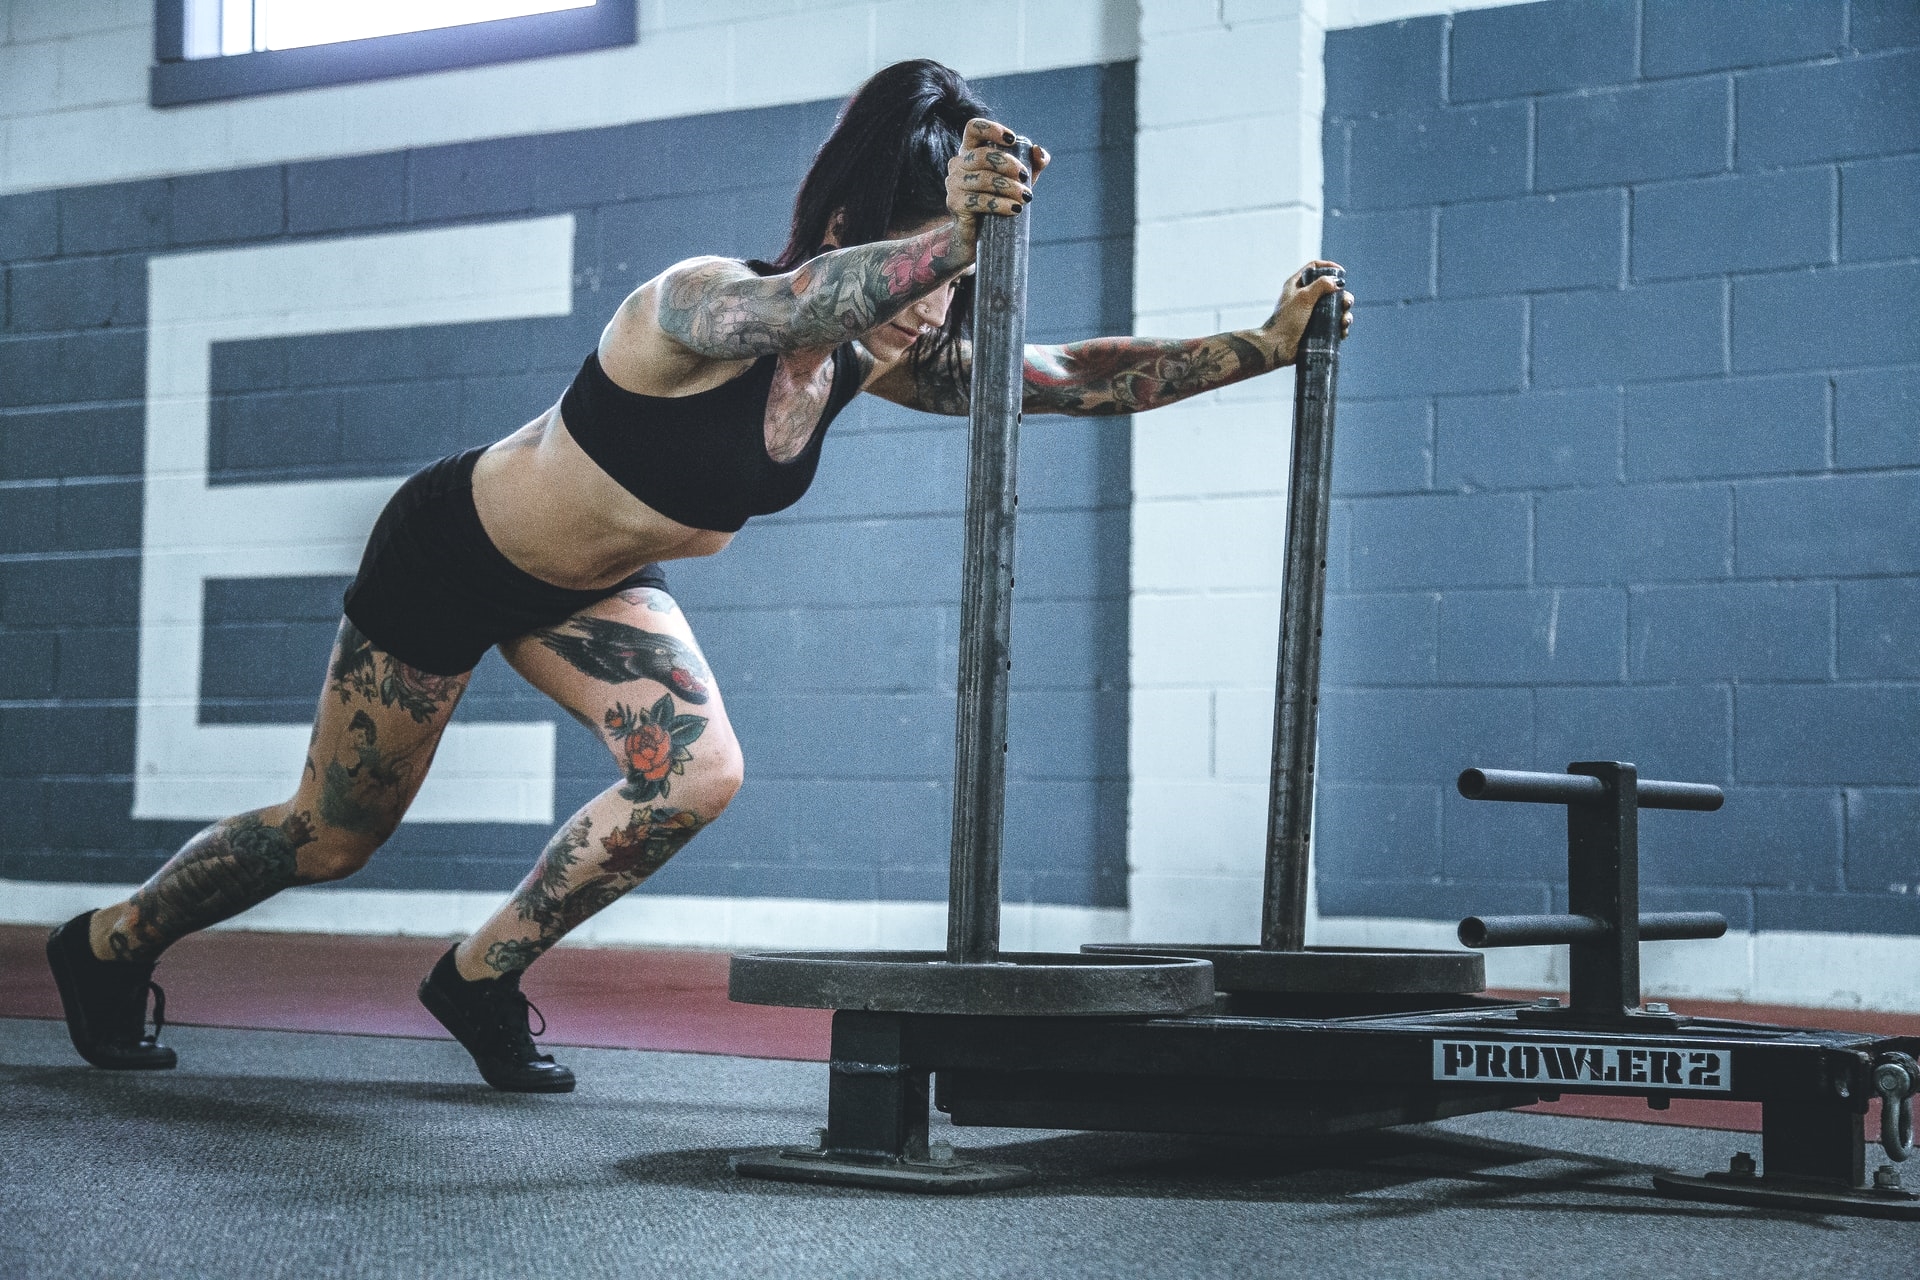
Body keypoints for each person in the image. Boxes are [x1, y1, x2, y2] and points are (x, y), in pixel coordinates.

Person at [46, 59, 1353, 1092]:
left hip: (586, 590)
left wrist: (1263, 343)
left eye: (948, 286)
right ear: (848, 227)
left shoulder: (886, 348)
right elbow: (805, 305)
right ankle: (106, 943)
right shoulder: (702, 306)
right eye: (916, 267)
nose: (930, 318)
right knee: (331, 837)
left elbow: (1066, 379)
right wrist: (952, 240)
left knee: (700, 773)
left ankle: (479, 975)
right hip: (452, 557)